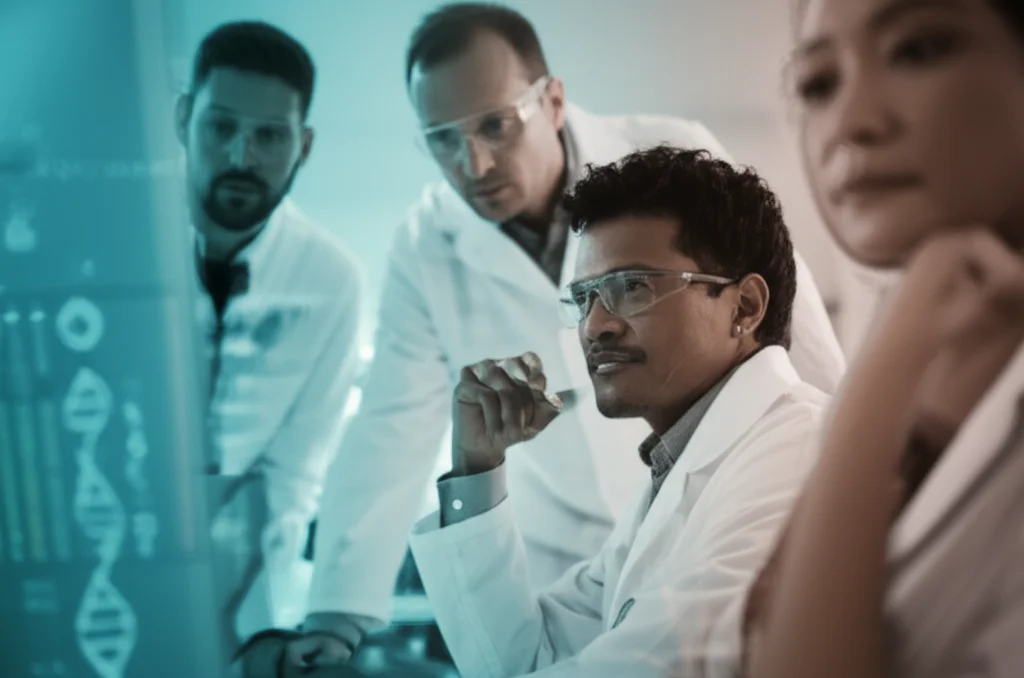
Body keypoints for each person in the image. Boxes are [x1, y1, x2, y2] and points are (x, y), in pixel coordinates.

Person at [291, 2, 845, 666]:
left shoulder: (670, 164)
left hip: (732, 473)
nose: (473, 163)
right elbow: (388, 426)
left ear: (552, 101)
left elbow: (789, 330)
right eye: (442, 139)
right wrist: (338, 611)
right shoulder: (426, 245)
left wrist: (846, 447)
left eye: (494, 125)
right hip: (598, 531)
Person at [403, 145, 829, 678]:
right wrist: (476, 469)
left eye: (632, 287)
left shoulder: (799, 452)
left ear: (744, 306)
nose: (595, 326)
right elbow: (530, 658)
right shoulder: (673, 475)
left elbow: (671, 666)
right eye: (584, 298)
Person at [742, 1, 1024, 677]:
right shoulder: (949, 363)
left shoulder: (897, 365)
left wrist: (879, 379)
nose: (851, 120)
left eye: (918, 49)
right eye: (818, 83)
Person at [176, 20, 362, 643]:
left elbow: (295, 475)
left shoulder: (331, 279)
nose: (241, 157)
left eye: (269, 135)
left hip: (245, 589)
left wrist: (253, 631)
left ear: (303, 145)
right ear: (183, 119)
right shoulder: (112, 241)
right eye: (221, 127)